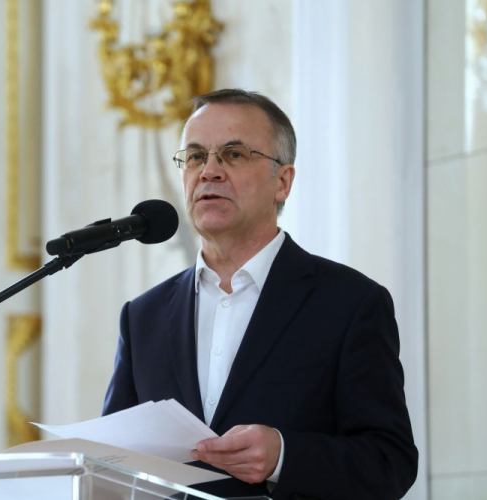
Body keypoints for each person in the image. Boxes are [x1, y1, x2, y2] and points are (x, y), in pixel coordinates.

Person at [102, 89, 418, 500]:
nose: (209, 172)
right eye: (195, 156)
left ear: (282, 182)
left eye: (234, 155)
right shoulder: (142, 317)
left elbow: (390, 463)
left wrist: (284, 457)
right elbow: (109, 461)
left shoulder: (350, 304)